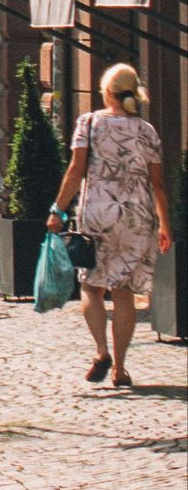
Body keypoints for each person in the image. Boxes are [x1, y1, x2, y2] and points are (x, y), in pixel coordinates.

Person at [48, 64, 172, 389]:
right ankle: (120, 368)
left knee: (91, 286)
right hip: (136, 217)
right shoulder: (147, 130)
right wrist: (165, 225)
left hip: (98, 214)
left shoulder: (88, 124)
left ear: (105, 91)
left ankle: (101, 351)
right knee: (124, 292)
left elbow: (76, 171)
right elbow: (158, 183)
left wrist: (57, 210)